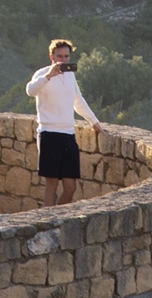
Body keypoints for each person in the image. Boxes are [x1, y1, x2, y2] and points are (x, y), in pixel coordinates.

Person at [25, 38, 103, 206]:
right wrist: (48, 76)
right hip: (48, 134)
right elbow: (31, 91)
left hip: (68, 134)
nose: (63, 60)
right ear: (51, 56)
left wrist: (93, 121)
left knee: (70, 187)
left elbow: (78, 101)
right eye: (59, 56)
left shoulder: (70, 76)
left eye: (66, 56)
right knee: (51, 184)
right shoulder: (42, 74)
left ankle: (58, 217)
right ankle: (48, 221)